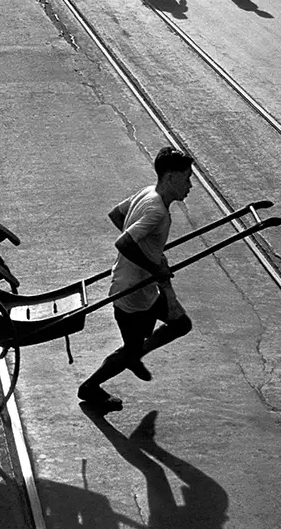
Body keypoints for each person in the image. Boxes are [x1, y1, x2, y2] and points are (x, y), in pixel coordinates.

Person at [77, 146, 196, 412]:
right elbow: (124, 242)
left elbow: (117, 215)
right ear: (169, 177)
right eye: (186, 178)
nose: (190, 185)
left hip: (143, 290)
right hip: (131, 293)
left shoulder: (148, 193)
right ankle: (90, 387)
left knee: (180, 324)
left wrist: (149, 251)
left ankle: (136, 352)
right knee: (131, 351)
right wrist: (155, 268)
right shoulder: (157, 211)